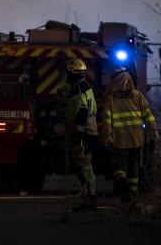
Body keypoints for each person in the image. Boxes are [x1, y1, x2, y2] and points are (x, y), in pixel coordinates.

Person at [102, 66, 157, 203]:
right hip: (136, 139)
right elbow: (149, 117)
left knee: (119, 166)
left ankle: (122, 184)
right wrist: (153, 136)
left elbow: (107, 121)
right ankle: (132, 193)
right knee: (133, 166)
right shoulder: (138, 96)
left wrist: (107, 138)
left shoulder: (110, 98)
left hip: (119, 139)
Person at [65, 58, 98, 211]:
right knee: (86, 165)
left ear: (72, 74)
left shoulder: (78, 90)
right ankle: (89, 198)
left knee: (83, 165)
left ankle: (89, 199)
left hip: (83, 133)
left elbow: (82, 112)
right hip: (89, 131)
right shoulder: (85, 86)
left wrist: (78, 133)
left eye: (68, 73)